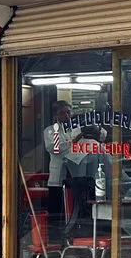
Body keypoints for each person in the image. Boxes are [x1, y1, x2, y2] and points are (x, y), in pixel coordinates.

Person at [42, 101, 107, 241]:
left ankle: (78, 234)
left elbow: (102, 136)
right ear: (55, 115)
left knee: (80, 206)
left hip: (80, 175)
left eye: (68, 112)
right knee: (57, 211)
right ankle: (55, 239)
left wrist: (94, 127)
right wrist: (76, 139)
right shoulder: (50, 131)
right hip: (60, 176)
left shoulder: (76, 127)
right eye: (63, 113)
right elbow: (55, 148)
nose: (67, 115)